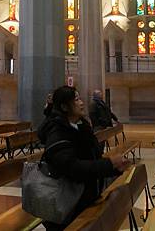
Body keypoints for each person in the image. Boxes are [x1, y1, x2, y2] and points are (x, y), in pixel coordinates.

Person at [37, 86, 131, 230]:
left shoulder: (81, 127)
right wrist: (109, 164)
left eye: (80, 98)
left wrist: (114, 169)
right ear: (64, 106)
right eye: (76, 100)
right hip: (67, 207)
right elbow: (73, 168)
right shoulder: (57, 133)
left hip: (84, 199)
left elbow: (91, 161)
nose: (81, 103)